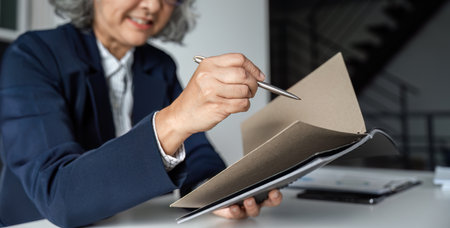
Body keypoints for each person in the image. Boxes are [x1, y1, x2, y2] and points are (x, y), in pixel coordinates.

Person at [0, 0, 282, 227]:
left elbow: (196, 150)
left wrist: (214, 190)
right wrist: (175, 119)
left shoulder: (159, 65)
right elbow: (58, 196)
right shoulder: (33, 55)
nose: (153, 6)